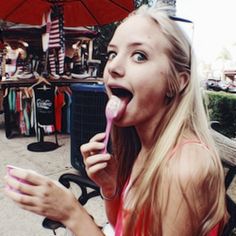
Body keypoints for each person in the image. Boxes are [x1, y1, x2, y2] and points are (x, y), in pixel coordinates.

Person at [4, 4, 227, 236]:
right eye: (112, 53)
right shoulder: (144, 147)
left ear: (177, 82)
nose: (114, 67)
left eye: (139, 56)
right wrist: (110, 187)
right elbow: (122, 225)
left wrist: (72, 214)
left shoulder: (183, 168)